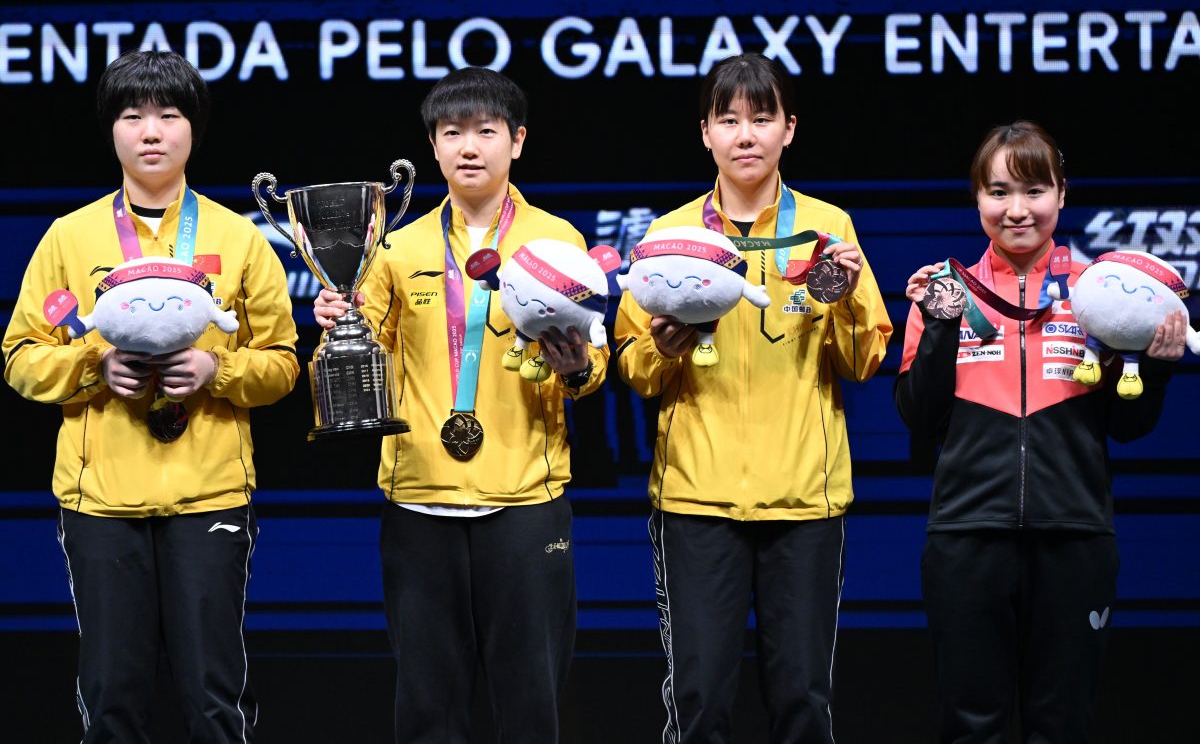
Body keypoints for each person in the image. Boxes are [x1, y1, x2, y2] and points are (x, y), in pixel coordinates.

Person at [3, 49, 300, 742]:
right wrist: (94, 366)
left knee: (216, 700)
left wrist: (215, 370)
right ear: (111, 130)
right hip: (101, 499)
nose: (151, 132)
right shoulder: (69, 237)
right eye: (132, 116)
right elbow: (20, 358)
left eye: (168, 115)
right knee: (112, 699)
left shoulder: (237, 237)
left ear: (193, 128)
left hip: (210, 496)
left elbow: (283, 364)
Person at [313, 66, 608, 744]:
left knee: (531, 708)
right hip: (420, 501)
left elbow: (594, 364)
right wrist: (338, 327)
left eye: (486, 131)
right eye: (452, 133)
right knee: (427, 709)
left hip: (524, 501)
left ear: (518, 141)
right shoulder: (394, 247)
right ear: (432, 146)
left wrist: (578, 370)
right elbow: (360, 361)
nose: (469, 147)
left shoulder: (557, 241)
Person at [613, 52, 893, 744]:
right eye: (729, 119)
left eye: (762, 118)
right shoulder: (669, 237)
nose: (746, 135)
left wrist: (845, 296)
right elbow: (634, 368)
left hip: (805, 499)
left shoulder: (828, 229)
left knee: (802, 702)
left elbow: (864, 360)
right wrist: (664, 348)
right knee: (700, 701)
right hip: (696, 500)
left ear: (789, 129)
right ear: (705, 132)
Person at [893, 121, 1190, 743]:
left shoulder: (1103, 293)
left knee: (1062, 726)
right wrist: (941, 323)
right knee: (970, 726)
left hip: (1075, 538)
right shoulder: (946, 290)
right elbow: (920, 417)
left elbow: (1128, 427)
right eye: (998, 192)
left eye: (1035, 190)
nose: (1017, 210)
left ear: (1062, 193)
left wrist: (1156, 371)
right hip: (966, 537)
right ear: (977, 198)